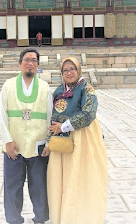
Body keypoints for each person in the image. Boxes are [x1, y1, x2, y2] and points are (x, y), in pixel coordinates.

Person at [46, 57, 108, 224]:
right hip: (61, 143)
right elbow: (50, 116)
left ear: (78, 70)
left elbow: (88, 114)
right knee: (61, 180)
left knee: (79, 178)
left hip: (83, 140)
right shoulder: (59, 91)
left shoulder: (87, 89)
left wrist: (63, 127)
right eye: (65, 70)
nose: (69, 72)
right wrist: (49, 139)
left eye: (72, 69)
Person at [0, 49, 53, 224]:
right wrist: (7, 141)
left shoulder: (45, 87)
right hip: (15, 145)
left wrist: (50, 142)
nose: (30, 63)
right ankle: (14, 219)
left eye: (34, 60)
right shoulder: (8, 85)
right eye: (27, 60)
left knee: (40, 186)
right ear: (20, 63)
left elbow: (51, 116)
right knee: (12, 186)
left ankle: (41, 218)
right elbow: (1, 114)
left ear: (38, 65)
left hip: (39, 145)